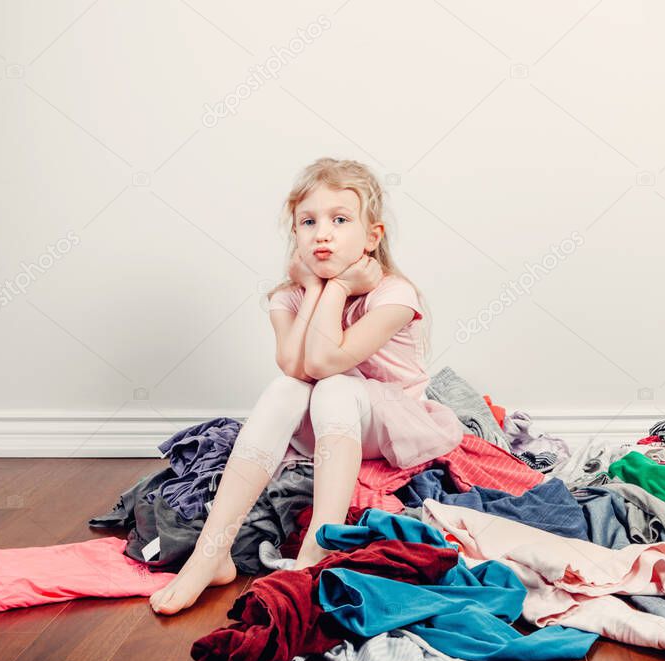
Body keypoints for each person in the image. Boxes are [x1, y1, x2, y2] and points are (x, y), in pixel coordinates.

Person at [149, 158, 463, 615]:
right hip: (327, 421)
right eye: (308, 222)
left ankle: (318, 547)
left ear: (372, 237)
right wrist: (315, 290)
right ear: (294, 234)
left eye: (340, 220)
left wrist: (335, 291)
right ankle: (210, 552)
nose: (323, 234)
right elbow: (295, 367)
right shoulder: (287, 296)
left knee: (333, 384)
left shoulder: (393, 295)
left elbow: (324, 362)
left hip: (391, 425)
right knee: (285, 389)